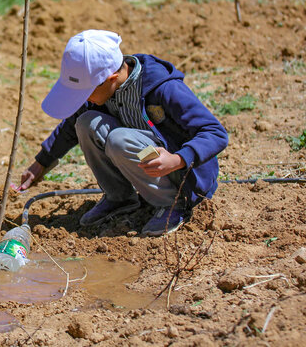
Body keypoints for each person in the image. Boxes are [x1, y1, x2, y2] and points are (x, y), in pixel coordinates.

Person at [18, 30, 228, 236]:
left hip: (183, 176)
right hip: (149, 162)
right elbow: (70, 125)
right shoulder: (102, 91)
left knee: (118, 139)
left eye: (86, 93)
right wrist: (42, 163)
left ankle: (173, 204)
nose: (85, 99)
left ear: (111, 78)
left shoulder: (164, 89)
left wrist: (178, 159)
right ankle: (119, 198)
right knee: (85, 123)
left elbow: (215, 132)